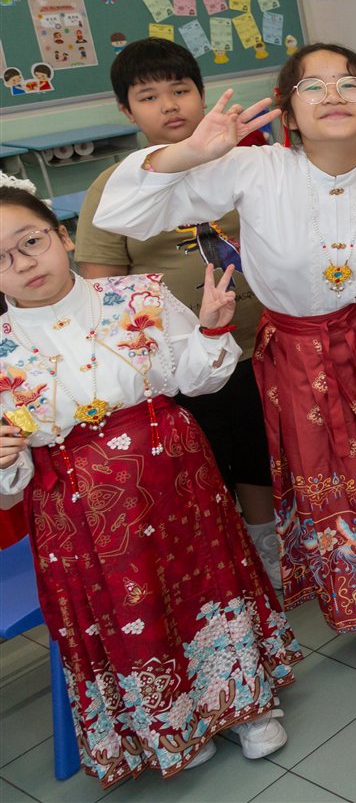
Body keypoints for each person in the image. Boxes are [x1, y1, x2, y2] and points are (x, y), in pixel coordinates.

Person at [99, 48, 356, 673]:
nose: (333, 95)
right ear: (289, 113)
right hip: (301, 353)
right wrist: (192, 153)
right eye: (313, 86)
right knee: (333, 477)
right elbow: (124, 212)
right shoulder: (253, 168)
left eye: (350, 82)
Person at [0, 181, 299, 786]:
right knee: (128, 611)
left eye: (30, 241)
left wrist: (210, 331)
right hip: (77, 510)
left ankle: (248, 703)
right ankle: (173, 724)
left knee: (209, 584)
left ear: (63, 236)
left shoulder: (137, 294)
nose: (23, 263)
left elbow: (196, 379)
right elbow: (10, 485)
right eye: (0, 258)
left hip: (174, 475)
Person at [72, 38, 279, 585]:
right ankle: (225, 559)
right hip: (180, 363)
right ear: (127, 111)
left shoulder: (243, 165)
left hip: (261, 345)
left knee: (259, 453)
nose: (169, 106)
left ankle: (268, 549)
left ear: (202, 94)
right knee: (204, 465)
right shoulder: (114, 187)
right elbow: (101, 288)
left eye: (180, 90)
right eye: (149, 97)